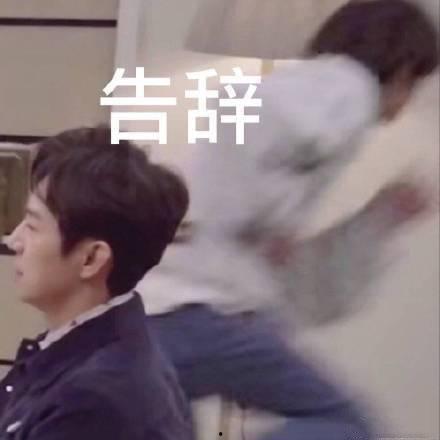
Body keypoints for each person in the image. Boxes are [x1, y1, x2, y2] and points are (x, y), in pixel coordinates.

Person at [136, 1, 439, 439]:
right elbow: (270, 120)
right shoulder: (350, 88)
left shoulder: (313, 89)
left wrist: (377, 213)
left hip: (154, 312)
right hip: (206, 313)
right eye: (415, 84)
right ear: (405, 70)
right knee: (346, 424)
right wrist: (265, 218)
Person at [0, 126, 193, 440]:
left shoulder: (94, 401)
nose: (14, 240)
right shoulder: (78, 354)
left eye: (33, 227)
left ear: (91, 259)